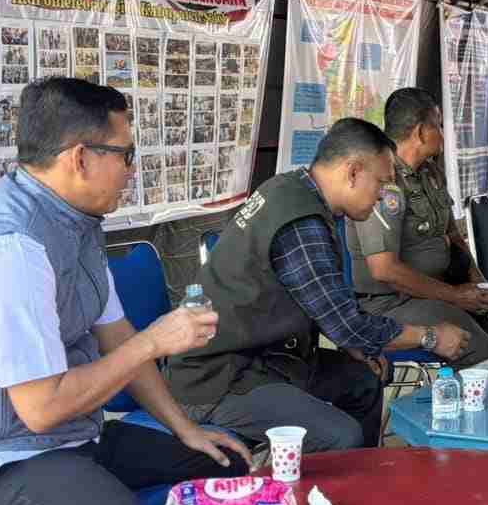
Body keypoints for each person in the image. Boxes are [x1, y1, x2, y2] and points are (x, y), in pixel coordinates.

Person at [0, 77, 253, 505]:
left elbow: (116, 336)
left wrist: (186, 429)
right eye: (126, 154)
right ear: (80, 158)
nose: (132, 170)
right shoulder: (8, 251)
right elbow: (43, 409)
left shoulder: (75, 224)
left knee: (226, 465)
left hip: (67, 440)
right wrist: (153, 341)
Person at [165, 118, 471, 450]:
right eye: (381, 183)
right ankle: (326, 482)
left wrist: (356, 345)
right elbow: (347, 325)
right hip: (218, 378)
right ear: (353, 172)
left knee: (364, 382)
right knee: (341, 435)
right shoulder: (301, 221)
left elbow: (324, 303)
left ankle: (362, 475)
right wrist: (430, 336)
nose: (382, 196)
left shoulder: (291, 190)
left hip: (270, 358)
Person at [347, 88, 488, 368]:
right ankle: (468, 395)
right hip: (393, 302)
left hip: (443, 289)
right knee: (477, 347)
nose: (443, 134)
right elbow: (385, 270)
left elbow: (452, 235)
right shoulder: (383, 182)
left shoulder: (431, 173)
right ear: (421, 132)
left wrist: (478, 284)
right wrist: (457, 297)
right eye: (438, 126)